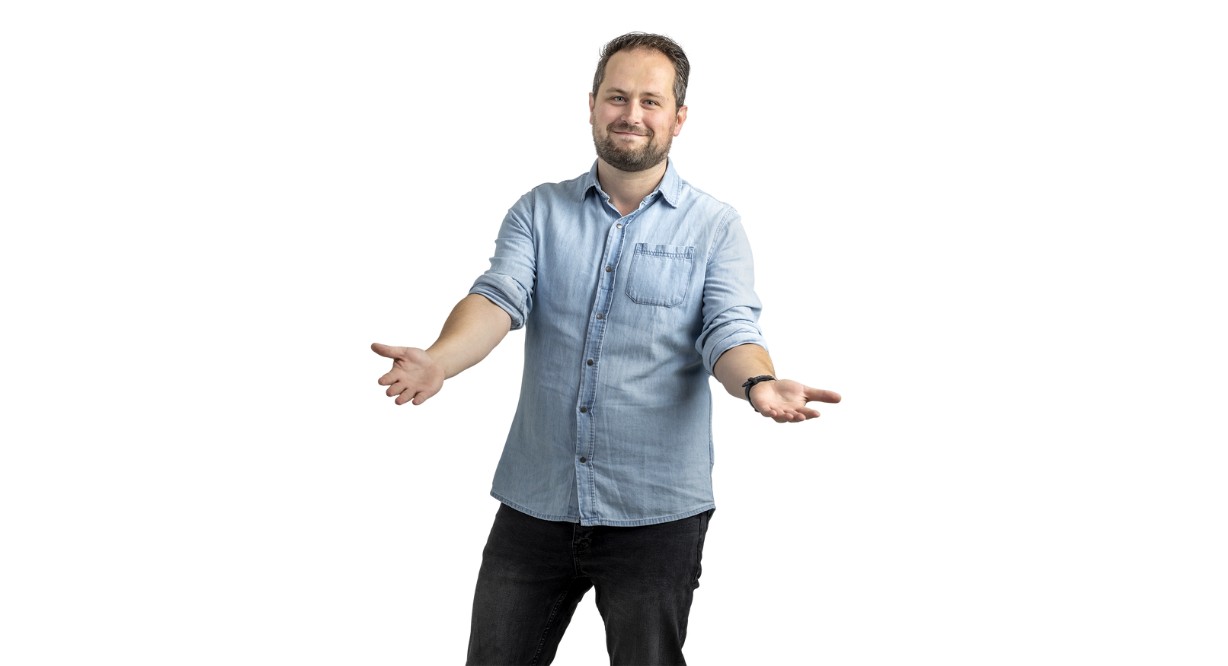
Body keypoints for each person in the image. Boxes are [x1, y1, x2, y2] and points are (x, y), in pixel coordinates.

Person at [371, 32, 841, 666]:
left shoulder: (715, 226)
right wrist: (440, 359)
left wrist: (758, 382)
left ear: (678, 118)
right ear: (592, 105)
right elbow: (498, 297)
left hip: (655, 513)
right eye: (617, 97)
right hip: (536, 502)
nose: (631, 114)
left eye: (651, 100)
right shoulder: (538, 210)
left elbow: (728, 330)